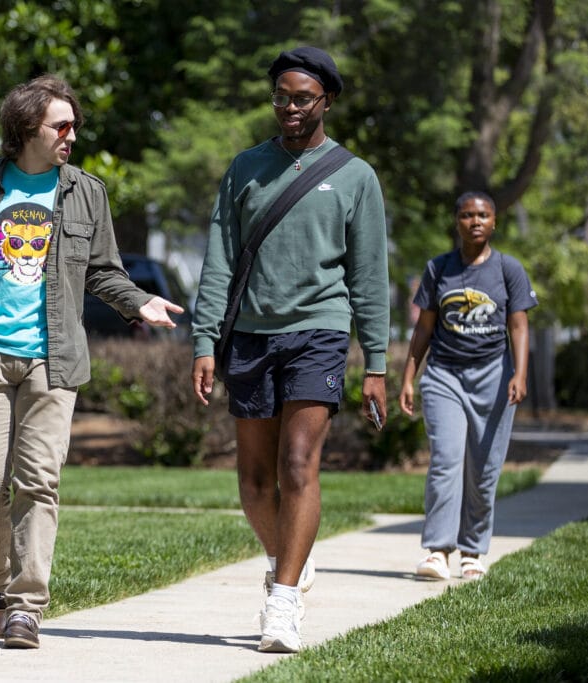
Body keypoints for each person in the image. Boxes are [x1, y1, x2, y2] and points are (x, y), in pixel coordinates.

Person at [0, 75, 184, 649]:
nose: (72, 135)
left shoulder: (87, 191)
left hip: (52, 360)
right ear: (25, 130)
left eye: (74, 125)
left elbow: (104, 270)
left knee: (39, 481)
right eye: (61, 126)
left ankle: (26, 607)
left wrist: (140, 302)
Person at [190, 47, 390, 653]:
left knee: (297, 464)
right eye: (281, 97)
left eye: (302, 98)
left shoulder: (355, 176)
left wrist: (376, 362)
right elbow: (220, 258)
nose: (290, 108)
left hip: (320, 332)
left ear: (326, 100)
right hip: (251, 334)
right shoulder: (246, 166)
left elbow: (369, 276)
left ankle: (281, 604)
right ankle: (288, 559)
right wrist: (204, 342)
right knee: (253, 484)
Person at [399, 191, 537, 582]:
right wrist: (409, 376)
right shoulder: (438, 269)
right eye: (466, 215)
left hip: (493, 376)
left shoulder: (509, 269)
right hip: (444, 375)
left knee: (484, 469)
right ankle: (438, 550)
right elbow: (424, 326)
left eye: (483, 215)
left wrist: (519, 373)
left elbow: (519, 325)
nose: (475, 221)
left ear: (494, 222)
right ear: (456, 221)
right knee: (445, 461)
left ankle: (473, 550)